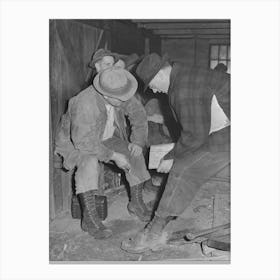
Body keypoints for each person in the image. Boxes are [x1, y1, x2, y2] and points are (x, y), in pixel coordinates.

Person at [121, 53, 230, 253]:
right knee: (187, 162)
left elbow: (195, 135)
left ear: (161, 74)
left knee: (182, 170)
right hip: (224, 126)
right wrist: (174, 152)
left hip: (228, 134)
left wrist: (172, 157)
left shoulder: (182, 88)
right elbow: (197, 130)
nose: (153, 90)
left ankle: (153, 233)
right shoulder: (185, 74)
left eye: (152, 84)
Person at [55, 67, 152, 239]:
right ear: (106, 95)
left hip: (104, 137)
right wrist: (113, 156)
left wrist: (137, 141)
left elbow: (138, 114)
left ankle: (136, 203)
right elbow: (83, 142)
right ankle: (89, 220)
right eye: (121, 100)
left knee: (134, 154)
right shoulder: (85, 103)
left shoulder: (120, 91)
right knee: (89, 164)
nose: (126, 102)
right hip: (77, 142)